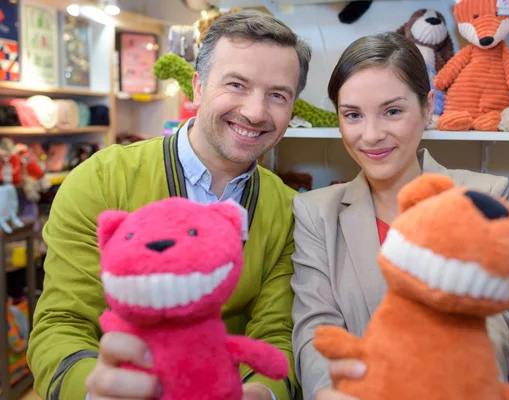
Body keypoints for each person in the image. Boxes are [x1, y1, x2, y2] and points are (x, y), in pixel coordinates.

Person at [26, 10, 311, 400]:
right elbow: (64, 321)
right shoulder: (102, 181)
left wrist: (262, 393)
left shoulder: (290, 211)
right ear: (197, 87)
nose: (256, 112)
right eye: (236, 84)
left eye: (277, 95)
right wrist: (95, 391)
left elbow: (276, 331)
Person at [290, 32, 509, 399]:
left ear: (428, 107)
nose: (371, 135)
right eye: (353, 115)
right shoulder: (315, 212)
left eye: (393, 111)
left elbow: (493, 320)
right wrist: (329, 391)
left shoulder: (483, 197)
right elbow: (315, 325)